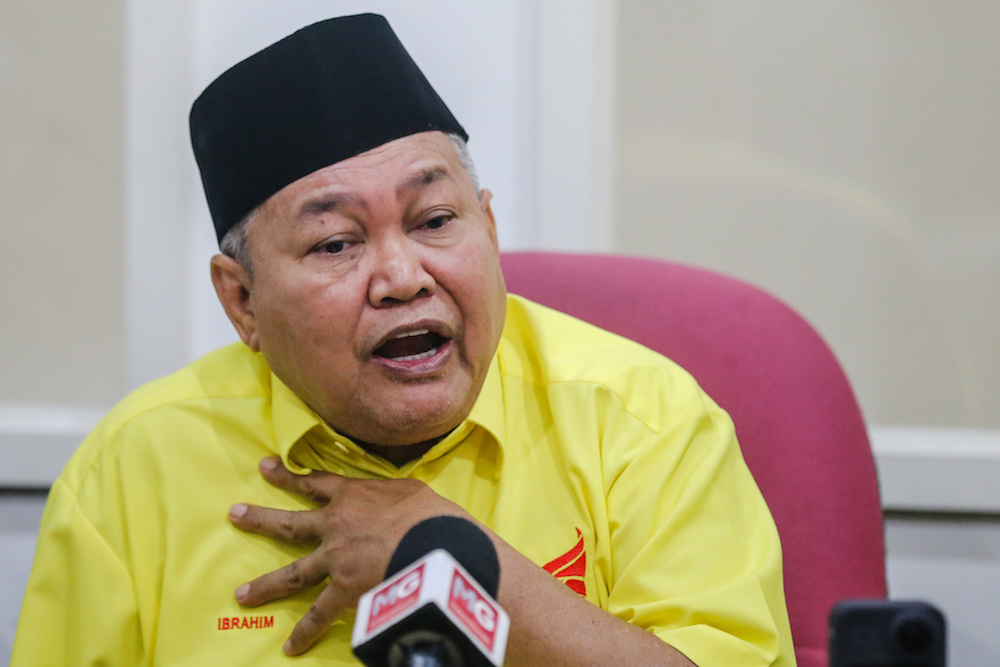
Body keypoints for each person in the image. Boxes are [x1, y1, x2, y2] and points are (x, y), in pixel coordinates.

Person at [12, 14, 794, 666]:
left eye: (434, 222)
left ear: (488, 227)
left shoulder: (641, 421)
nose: (401, 276)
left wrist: (440, 558)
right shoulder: (133, 470)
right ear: (242, 300)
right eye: (335, 245)